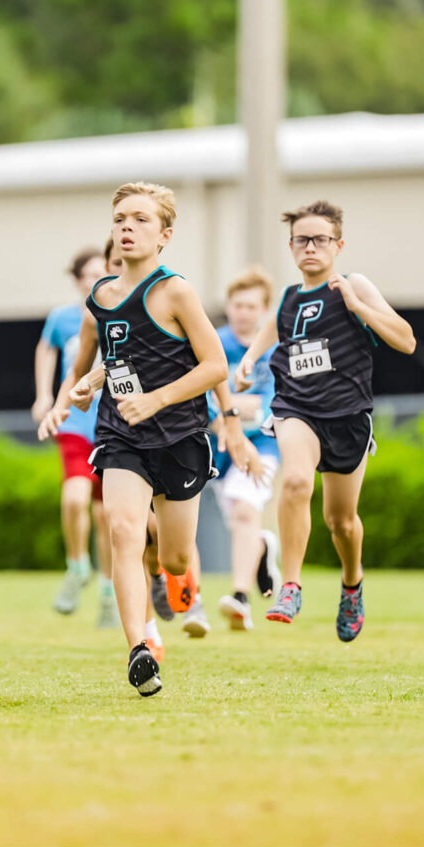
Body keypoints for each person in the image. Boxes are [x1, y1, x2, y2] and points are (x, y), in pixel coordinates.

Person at [41, 183, 259, 697]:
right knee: (123, 531)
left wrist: (159, 401)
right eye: (120, 218)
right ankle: (140, 648)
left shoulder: (175, 292)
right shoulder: (99, 299)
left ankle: (175, 578)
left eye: (139, 219)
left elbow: (215, 365)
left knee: (175, 556)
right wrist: (76, 390)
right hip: (121, 435)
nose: (127, 227)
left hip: (180, 436)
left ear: (164, 235)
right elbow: (92, 359)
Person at [234, 200, 415, 641]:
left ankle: (352, 584)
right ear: (291, 245)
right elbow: (274, 327)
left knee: (342, 521)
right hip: (297, 408)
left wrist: (357, 305)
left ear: (338, 245)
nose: (310, 247)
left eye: (319, 239)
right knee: (295, 481)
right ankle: (290, 585)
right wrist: (250, 358)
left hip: (348, 415)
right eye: (301, 240)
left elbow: (406, 340)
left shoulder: (354, 285)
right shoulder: (289, 298)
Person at [32, 247, 117, 627]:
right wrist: (44, 397)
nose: (94, 279)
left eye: (102, 272)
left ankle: (108, 590)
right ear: (78, 279)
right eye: (88, 274)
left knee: (105, 515)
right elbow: (46, 350)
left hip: (113, 424)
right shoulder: (65, 318)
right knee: (74, 496)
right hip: (75, 421)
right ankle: (77, 565)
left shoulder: (120, 315)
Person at [212, 266, 284, 631]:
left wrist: (236, 409)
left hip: (263, 446)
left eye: (251, 306)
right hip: (220, 449)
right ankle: (263, 547)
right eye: (237, 305)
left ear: (264, 310)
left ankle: (240, 597)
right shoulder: (213, 344)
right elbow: (205, 395)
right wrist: (232, 410)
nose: (243, 312)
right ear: (228, 306)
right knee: (239, 520)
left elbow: (274, 402)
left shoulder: (273, 350)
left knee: (243, 510)